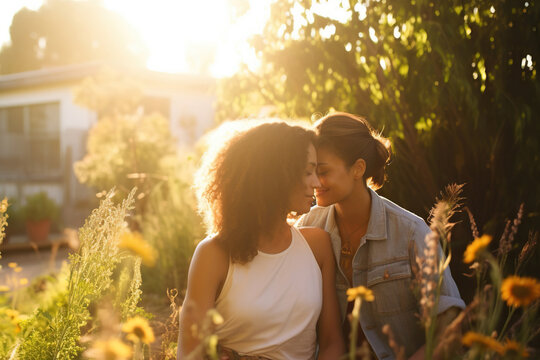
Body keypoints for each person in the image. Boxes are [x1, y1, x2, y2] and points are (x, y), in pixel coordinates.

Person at [297, 112, 466, 360]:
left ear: (358, 169)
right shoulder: (308, 228)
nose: (314, 181)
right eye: (310, 171)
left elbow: (449, 330)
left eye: (322, 171)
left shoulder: (411, 232)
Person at [178, 121, 345, 360]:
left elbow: (331, 343)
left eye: (317, 172)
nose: (316, 183)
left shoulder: (317, 246)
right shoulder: (213, 254)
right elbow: (190, 353)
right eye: (308, 172)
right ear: (274, 175)